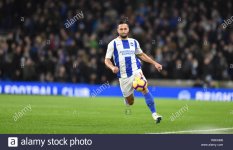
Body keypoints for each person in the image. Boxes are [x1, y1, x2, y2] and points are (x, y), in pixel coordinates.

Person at [104, 20, 163, 123]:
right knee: (130, 102)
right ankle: (128, 97)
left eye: (125, 29)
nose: (123, 31)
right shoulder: (112, 44)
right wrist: (112, 67)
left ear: (128, 30)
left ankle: (154, 114)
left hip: (136, 70)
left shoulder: (134, 42)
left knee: (144, 87)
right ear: (117, 30)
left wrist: (155, 63)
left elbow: (141, 55)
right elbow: (107, 60)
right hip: (123, 76)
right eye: (121, 29)